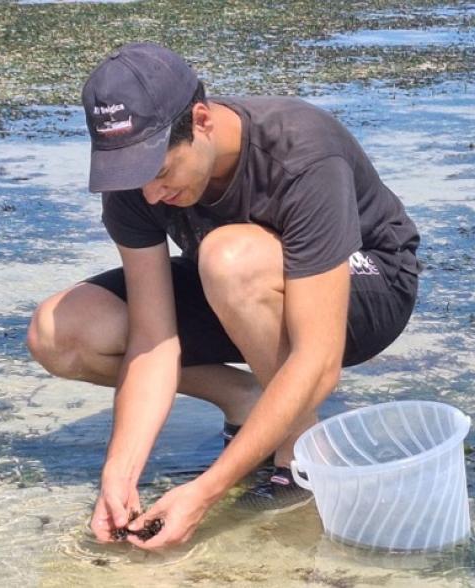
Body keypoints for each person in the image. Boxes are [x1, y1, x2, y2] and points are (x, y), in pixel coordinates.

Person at [26, 42, 420, 550]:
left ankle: (300, 454)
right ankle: (247, 400)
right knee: (60, 331)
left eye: (160, 172)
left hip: (368, 284)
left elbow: (318, 360)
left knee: (227, 258)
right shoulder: (136, 179)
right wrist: (119, 474)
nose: (149, 195)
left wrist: (206, 490)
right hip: (235, 283)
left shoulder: (300, 152)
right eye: (130, 176)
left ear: (202, 120)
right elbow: (154, 339)